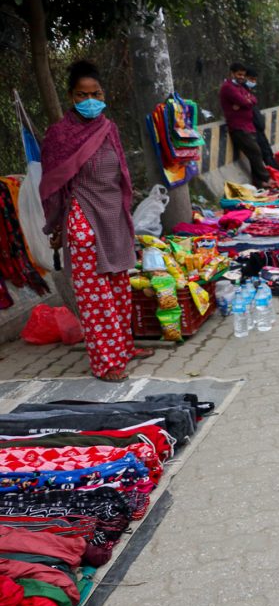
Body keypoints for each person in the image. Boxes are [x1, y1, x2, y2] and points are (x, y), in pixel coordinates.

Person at [39, 60, 154, 382]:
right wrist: (58, 227)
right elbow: (52, 184)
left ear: (104, 94)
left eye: (96, 93)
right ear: (70, 97)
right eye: (81, 95)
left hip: (113, 214)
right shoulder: (60, 135)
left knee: (118, 286)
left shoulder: (108, 126)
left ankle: (123, 347)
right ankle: (106, 362)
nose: (90, 100)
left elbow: (121, 173)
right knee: (94, 293)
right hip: (84, 216)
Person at [219, 62, 271, 188]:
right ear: (232, 73)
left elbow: (253, 99)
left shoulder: (240, 87)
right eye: (239, 74)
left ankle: (259, 182)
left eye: (243, 75)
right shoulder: (228, 87)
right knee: (256, 152)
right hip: (239, 127)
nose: (241, 77)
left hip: (249, 126)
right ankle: (266, 178)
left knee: (254, 154)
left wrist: (246, 101)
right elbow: (244, 101)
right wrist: (245, 101)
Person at [244, 69, 279, 174]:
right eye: (251, 79)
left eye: (254, 80)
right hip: (253, 128)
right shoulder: (242, 92)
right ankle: (274, 174)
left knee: (267, 152)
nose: (253, 82)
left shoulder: (249, 93)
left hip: (258, 128)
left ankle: (278, 173)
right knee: (263, 153)